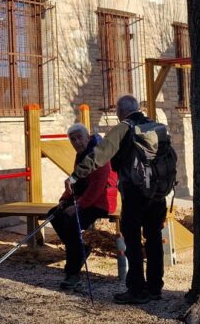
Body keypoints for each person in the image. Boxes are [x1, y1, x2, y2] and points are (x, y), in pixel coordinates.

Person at [68, 95, 168, 304]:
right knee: (154, 239)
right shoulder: (157, 127)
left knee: (132, 241)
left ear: (120, 112)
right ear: (138, 108)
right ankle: (155, 288)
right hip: (158, 193)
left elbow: (100, 155)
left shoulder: (123, 128)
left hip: (134, 194)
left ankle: (136, 290)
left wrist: (76, 175)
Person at [49, 123, 117, 290]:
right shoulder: (80, 155)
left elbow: (97, 187)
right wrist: (64, 200)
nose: (76, 142)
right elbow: (75, 182)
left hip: (101, 201)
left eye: (79, 137)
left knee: (72, 222)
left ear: (87, 137)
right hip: (84, 199)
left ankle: (72, 273)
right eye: (73, 139)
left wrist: (78, 206)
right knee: (54, 214)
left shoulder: (99, 154)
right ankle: (80, 252)